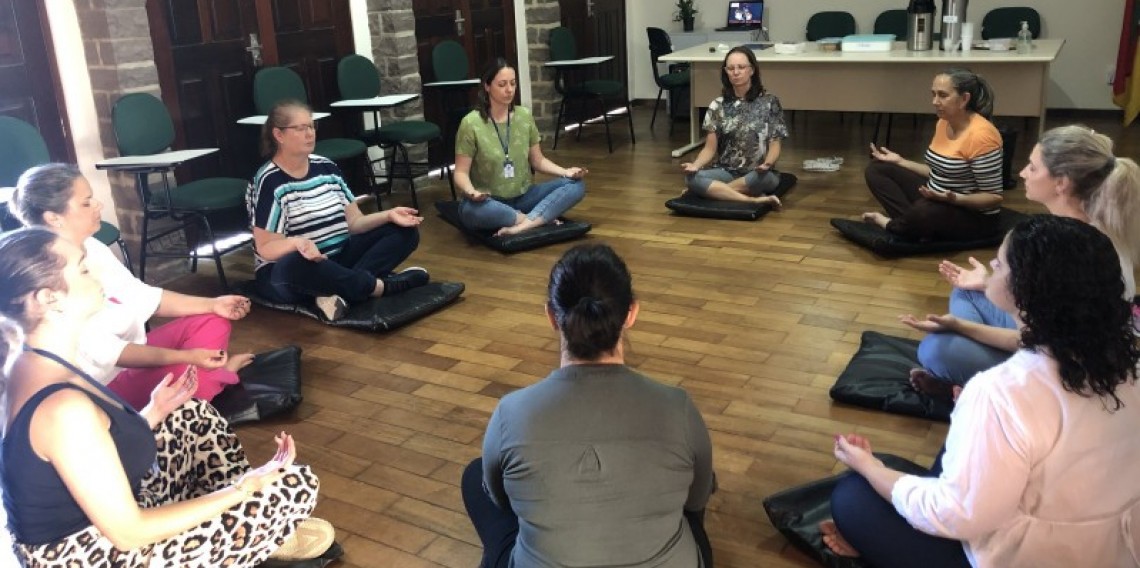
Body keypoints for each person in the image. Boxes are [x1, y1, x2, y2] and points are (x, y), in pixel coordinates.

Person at [0, 227, 333, 566]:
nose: (95, 276)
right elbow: (129, 533)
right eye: (83, 269)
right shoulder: (62, 409)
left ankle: (247, 527)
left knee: (192, 414)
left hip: (106, 516)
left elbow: (81, 458)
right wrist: (246, 487)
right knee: (295, 484)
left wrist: (154, 411)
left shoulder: (32, 357)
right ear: (48, 298)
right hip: (97, 553)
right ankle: (251, 527)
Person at [821, 215, 1140, 568]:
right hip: (1118, 544)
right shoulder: (1125, 361)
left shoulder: (1001, 392)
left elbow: (959, 516)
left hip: (1039, 556)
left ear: (1025, 287)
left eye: (1000, 263)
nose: (991, 264)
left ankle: (871, 536)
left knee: (851, 496)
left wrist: (870, 467)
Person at [462, 243, 716, 567]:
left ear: (552, 317)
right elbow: (696, 500)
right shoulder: (678, 408)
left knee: (476, 476)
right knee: (695, 481)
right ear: (631, 313)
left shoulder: (509, 413)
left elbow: (501, 500)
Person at [900, 126, 1140, 396]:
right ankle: (968, 372)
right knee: (965, 291)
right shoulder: (1069, 231)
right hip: (1043, 334)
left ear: (1061, 183)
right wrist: (987, 284)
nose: (1023, 173)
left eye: (1033, 168)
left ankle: (976, 386)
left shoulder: (1078, 251)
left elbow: (1041, 344)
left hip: (1062, 369)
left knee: (935, 350)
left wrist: (962, 327)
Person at [12, 164, 255, 411]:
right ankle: (216, 379)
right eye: (86, 203)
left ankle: (206, 382)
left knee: (211, 320)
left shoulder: (93, 247)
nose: (98, 205)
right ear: (53, 217)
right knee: (188, 370)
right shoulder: (48, 279)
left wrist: (213, 304)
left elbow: (143, 297)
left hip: (136, 354)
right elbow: (110, 353)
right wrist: (188, 357)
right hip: (104, 385)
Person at [248, 100, 429, 322]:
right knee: (292, 265)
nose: (310, 134)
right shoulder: (269, 181)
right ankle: (381, 287)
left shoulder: (326, 167)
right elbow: (266, 248)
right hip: (295, 271)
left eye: (312, 126)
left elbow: (354, 223)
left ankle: (340, 292)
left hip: (337, 259)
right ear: (279, 135)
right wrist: (298, 243)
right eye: (301, 128)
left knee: (404, 231)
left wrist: (388, 215)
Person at [862, 68, 1004, 241]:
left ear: (964, 99)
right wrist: (899, 161)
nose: (935, 101)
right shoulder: (944, 122)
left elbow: (993, 197)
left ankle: (894, 225)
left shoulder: (982, 136)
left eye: (943, 95)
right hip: (936, 198)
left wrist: (954, 199)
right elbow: (936, 171)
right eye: (933, 94)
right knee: (877, 169)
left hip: (972, 214)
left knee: (924, 211)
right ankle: (913, 226)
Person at [453, 58, 588, 236]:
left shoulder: (524, 116)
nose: (509, 89)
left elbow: (538, 161)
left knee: (576, 186)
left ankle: (522, 225)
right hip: (489, 202)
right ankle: (535, 219)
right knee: (471, 211)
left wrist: (565, 172)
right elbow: (460, 172)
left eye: (513, 83)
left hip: (525, 197)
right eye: (502, 84)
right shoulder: (471, 123)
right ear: (487, 86)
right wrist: (472, 192)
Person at [681, 46, 786, 206]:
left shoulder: (770, 102)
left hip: (757, 174)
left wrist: (768, 164)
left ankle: (713, 192)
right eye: (730, 68)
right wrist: (695, 166)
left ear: (752, 70)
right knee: (692, 178)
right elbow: (709, 149)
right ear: (726, 72)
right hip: (726, 171)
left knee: (763, 179)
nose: (736, 72)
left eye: (741, 67)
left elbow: (775, 144)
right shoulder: (717, 105)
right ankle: (752, 200)